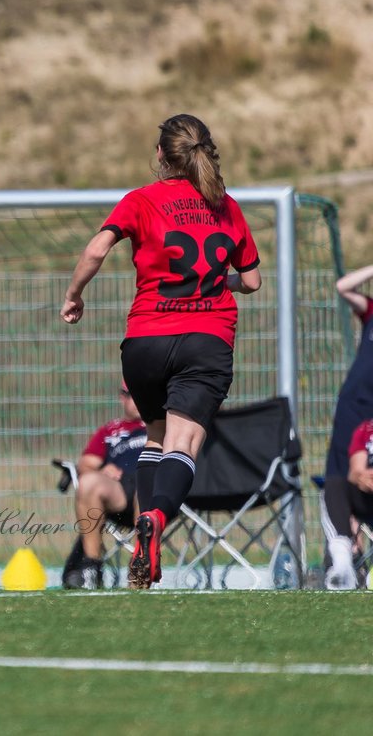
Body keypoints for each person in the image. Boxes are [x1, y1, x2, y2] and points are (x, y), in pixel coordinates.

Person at [61, 114, 261, 590]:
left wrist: (74, 296)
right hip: (206, 338)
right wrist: (218, 282)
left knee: (154, 435)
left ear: (160, 156)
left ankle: (139, 552)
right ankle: (153, 519)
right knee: (183, 444)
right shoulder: (225, 205)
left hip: (145, 342)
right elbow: (251, 281)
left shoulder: (140, 200)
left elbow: (94, 252)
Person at [62, 384, 147, 589]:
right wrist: (102, 469)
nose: (138, 400)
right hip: (118, 489)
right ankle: (92, 568)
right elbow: (86, 463)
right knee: (88, 482)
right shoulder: (110, 430)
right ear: (122, 398)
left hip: (152, 484)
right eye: (133, 395)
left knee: (147, 482)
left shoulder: (162, 425)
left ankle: (142, 564)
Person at [320, 263, 373, 586]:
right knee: (341, 479)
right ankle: (344, 557)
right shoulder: (371, 311)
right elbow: (343, 287)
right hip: (354, 409)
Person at [322, 416, 373, 589]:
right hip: (366, 497)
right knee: (336, 484)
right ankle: (342, 562)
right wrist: (362, 477)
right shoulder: (366, 430)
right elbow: (355, 471)